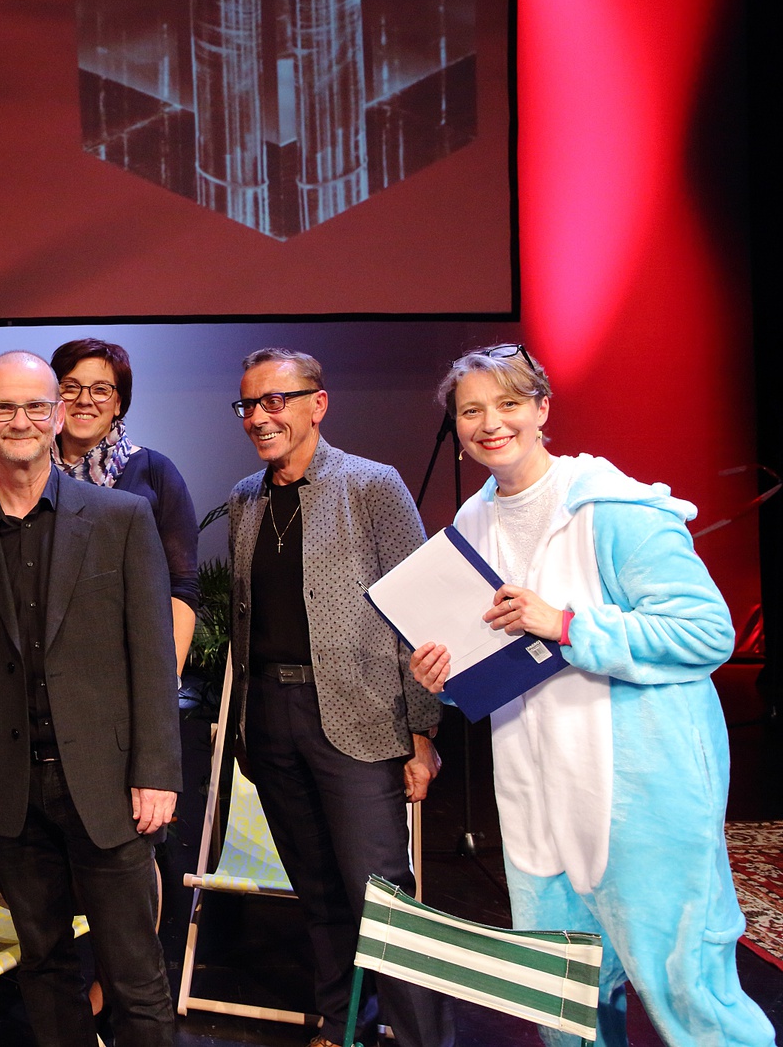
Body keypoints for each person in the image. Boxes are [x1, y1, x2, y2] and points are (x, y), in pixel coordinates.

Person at [409, 345, 775, 1047]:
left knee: (689, 994)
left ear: (542, 408)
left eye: (509, 403)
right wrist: (447, 679)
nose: (491, 423)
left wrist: (569, 624)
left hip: (642, 795)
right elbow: (495, 665)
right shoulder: (469, 531)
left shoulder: (615, 508)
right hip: (538, 799)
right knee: (563, 1000)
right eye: (472, 411)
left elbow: (706, 632)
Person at [0, 351, 182, 1047]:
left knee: (134, 974)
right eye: (4, 407)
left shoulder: (122, 517)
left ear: (59, 414)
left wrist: (157, 770)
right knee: (43, 965)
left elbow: (152, 655)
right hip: (8, 789)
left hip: (109, 786)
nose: (21, 421)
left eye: (36, 406)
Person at [227, 348, 452, 1047]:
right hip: (271, 719)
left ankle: (422, 1038)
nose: (260, 417)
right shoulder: (246, 498)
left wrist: (421, 731)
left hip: (359, 717)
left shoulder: (370, 485)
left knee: (382, 896)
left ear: (317, 404)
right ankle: (342, 1021)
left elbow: (417, 613)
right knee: (318, 890)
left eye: (275, 401)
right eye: (248, 405)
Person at [49, 338, 199, 678]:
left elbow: (182, 585)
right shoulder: (32, 476)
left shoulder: (155, 471)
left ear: (118, 403)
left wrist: (166, 680)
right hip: (46, 671)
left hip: (130, 667)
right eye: (70, 387)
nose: (84, 399)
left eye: (101, 389)